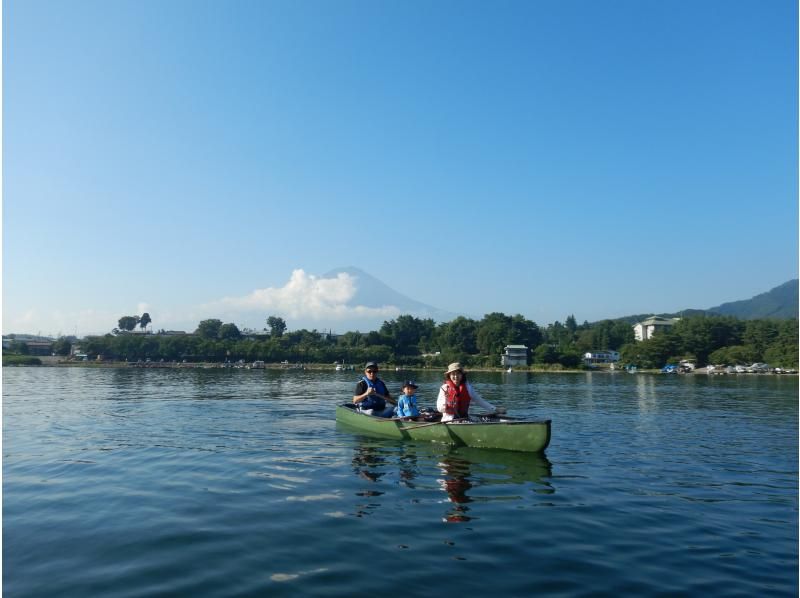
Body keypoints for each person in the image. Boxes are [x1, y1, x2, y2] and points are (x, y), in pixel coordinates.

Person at [436, 362, 505, 422]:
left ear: (462, 375)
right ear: (449, 376)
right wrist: (446, 404)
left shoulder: (468, 388)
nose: (456, 376)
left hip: (464, 418)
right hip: (449, 420)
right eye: (453, 374)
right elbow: (439, 408)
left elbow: (479, 401)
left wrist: (495, 409)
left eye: (458, 374)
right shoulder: (444, 388)